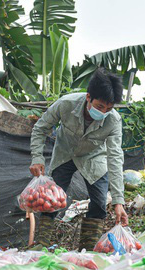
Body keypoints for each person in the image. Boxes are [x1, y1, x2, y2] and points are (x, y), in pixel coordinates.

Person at [29, 67, 128, 250]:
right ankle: (41, 246)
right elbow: (40, 128)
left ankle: (87, 251)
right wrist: (37, 158)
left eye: (109, 108)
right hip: (65, 154)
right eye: (100, 107)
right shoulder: (66, 104)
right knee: (52, 201)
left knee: (99, 204)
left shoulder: (113, 121)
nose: (104, 112)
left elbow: (115, 157)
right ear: (88, 97)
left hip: (95, 158)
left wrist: (118, 201)